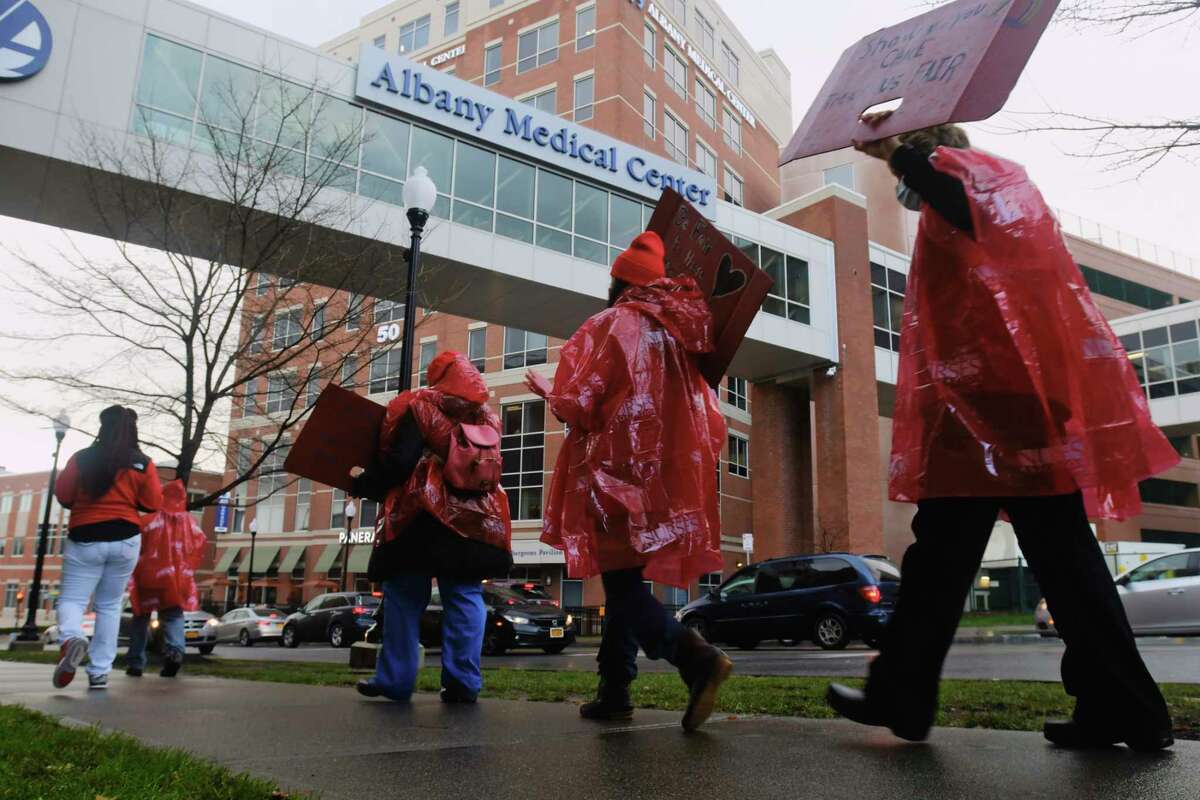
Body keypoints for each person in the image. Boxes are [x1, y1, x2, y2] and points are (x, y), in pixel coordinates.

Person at [826, 112, 1179, 751]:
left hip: (991, 414)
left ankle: (904, 695)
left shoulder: (975, 186)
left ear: (936, 156)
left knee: (950, 562)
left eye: (914, 170)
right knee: (1058, 565)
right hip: (1009, 408)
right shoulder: (996, 196)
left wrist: (898, 154)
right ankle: (1121, 708)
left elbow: (957, 201)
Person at [526, 231, 733, 732]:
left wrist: (550, 392)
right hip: (666, 480)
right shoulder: (683, 335)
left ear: (618, 281)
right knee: (626, 580)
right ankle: (614, 690)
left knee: (619, 584)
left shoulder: (609, 325)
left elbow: (583, 402)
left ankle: (693, 655)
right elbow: (709, 417)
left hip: (615, 475)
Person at [352, 351, 513, 704]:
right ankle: (463, 683)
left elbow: (399, 464)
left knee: (404, 599)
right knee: (467, 598)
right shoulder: (487, 416)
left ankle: (395, 680)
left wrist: (363, 484)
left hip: (420, 520)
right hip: (473, 525)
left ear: (437, 377)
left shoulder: (419, 406)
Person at [53, 405, 163, 690]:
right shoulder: (143, 462)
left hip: (86, 535)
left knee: (73, 600)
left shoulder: (82, 458)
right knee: (110, 605)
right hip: (125, 538)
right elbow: (152, 503)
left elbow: (63, 494)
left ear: (103, 427)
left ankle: (71, 638)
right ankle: (100, 672)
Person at [125, 479, 207, 678]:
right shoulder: (191, 524)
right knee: (173, 616)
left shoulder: (149, 521)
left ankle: (136, 662)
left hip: (149, 576)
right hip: (176, 580)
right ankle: (175, 651)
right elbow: (199, 545)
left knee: (141, 617)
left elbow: (136, 545)